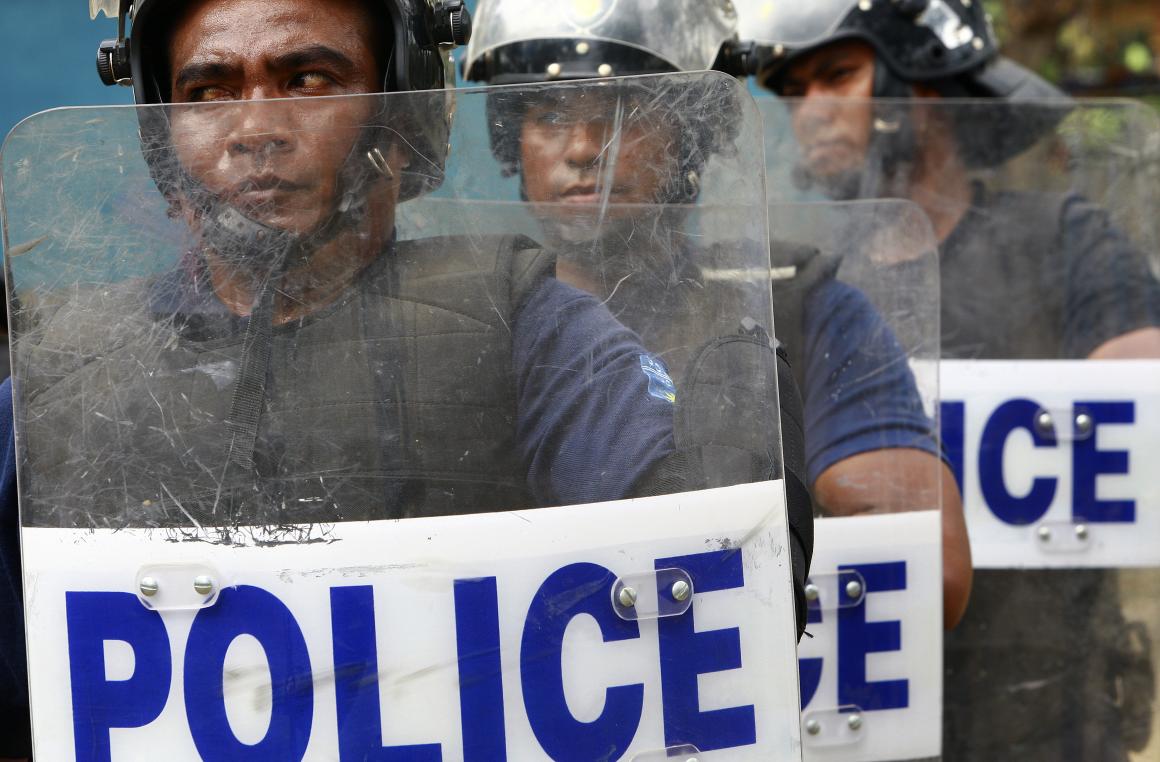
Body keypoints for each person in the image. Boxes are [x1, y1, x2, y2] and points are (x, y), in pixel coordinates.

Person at [0, 0, 814, 756]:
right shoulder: (57, 375)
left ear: (402, 111)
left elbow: (701, 605)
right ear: (159, 132)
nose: (254, 127)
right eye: (209, 89)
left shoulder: (523, 321)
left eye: (306, 81)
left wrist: (734, 456)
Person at [735, 0, 1160, 758]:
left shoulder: (1063, 241)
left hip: (1046, 709)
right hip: (860, 713)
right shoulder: (804, 290)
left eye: (837, 76)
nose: (809, 111)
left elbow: (1139, 418)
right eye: (794, 92)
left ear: (922, 87)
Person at [462, 0, 971, 630]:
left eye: (628, 111)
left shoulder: (797, 304)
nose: (585, 147)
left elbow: (924, 574)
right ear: (510, 142)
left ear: (691, 135)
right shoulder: (465, 322)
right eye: (550, 112)